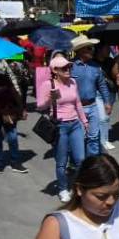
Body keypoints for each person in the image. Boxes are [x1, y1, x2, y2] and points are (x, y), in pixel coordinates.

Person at [37, 54, 89, 203]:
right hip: (60, 126)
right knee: (62, 162)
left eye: (69, 67)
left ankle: (78, 187)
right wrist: (50, 99)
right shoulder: (48, 85)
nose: (68, 70)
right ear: (55, 70)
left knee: (80, 159)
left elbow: (77, 103)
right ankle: (62, 188)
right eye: (64, 68)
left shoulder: (73, 82)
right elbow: (40, 106)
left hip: (75, 124)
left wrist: (84, 121)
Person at [70, 35, 113, 156]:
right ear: (80, 50)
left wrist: (107, 102)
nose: (92, 50)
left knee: (93, 136)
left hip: (93, 106)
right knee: (79, 137)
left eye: (92, 47)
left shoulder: (95, 66)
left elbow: (102, 85)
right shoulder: (70, 67)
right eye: (89, 48)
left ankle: (92, 161)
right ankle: (78, 160)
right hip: (76, 108)